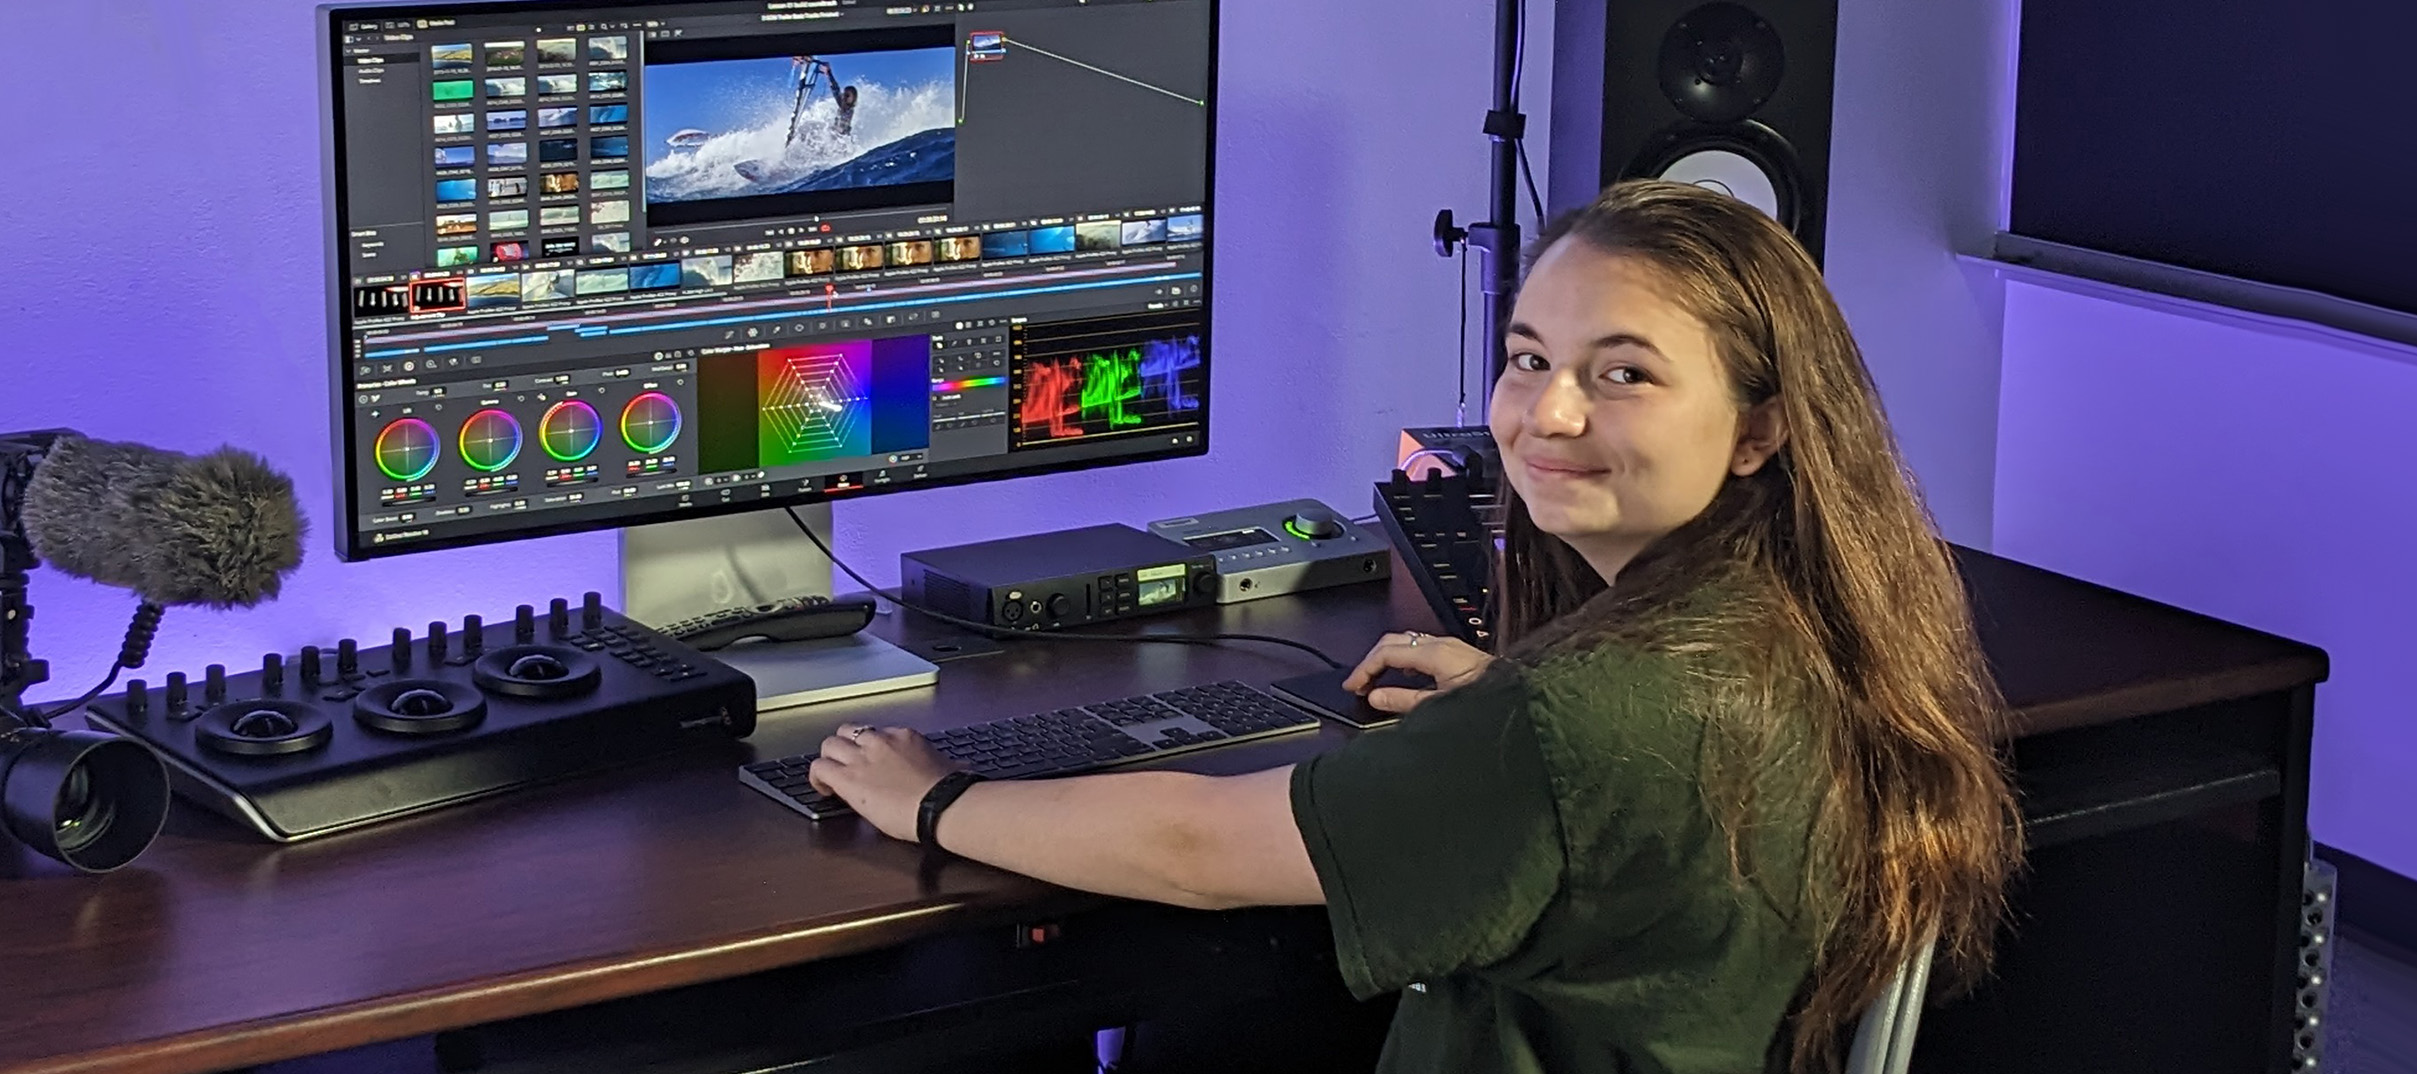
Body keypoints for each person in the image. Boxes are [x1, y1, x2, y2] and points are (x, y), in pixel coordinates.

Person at [806, 180, 2025, 1074]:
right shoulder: (1800, 632)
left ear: (1760, 430)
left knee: (976, 996)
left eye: (1623, 375)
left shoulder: (1578, 718)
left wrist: (934, 798)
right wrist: (1506, 722)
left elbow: (1197, 844)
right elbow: (1601, 783)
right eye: (1527, 356)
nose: (1544, 414)